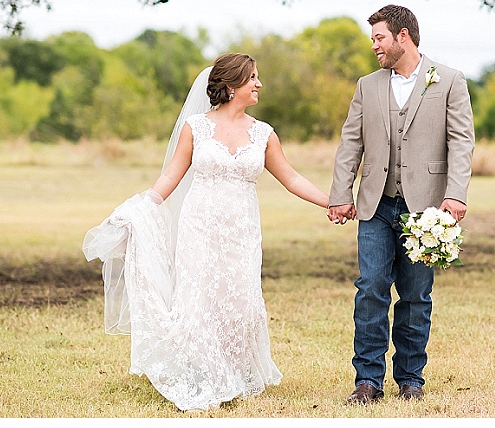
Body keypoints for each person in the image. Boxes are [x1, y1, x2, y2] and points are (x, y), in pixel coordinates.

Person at [83, 53, 330, 411]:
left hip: (242, 231)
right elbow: (170, 176)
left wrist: (334, 202)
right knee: (199, 297)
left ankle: (233, 369)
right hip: (199, 227)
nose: (259, 84)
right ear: (231, 86)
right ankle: (202, 374)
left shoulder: (263, 133)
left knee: (238, 299)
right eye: (253, 78)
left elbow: (291, 178)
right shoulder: (196, 127)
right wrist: (137, 210)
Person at [327, 5, 475, 404]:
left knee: (414, 295)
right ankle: (368, 381)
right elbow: (350, 143)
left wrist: (455, 194)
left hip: (426, 207)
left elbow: (462, 142)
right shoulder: (367, 85)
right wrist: (341, 194)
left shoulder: (449, 80)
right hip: (375, 204)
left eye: (379, 37)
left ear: (403, 36)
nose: (374, 45)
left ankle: (411, 379)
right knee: (371, 288)